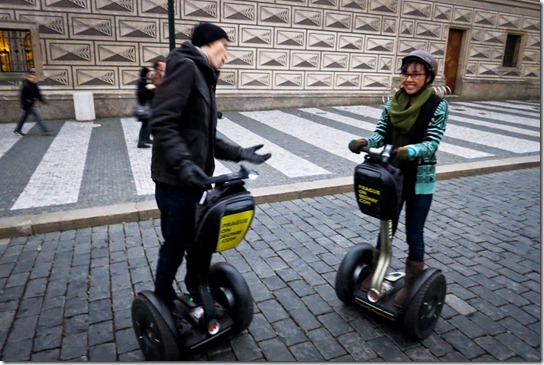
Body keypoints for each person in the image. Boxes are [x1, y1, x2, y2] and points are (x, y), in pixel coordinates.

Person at [149, 22, 272, 310]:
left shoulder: (203, 74)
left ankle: (196, 291)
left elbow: (204, 132)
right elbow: (162, 121)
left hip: (197, 181)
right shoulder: (185, 67)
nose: (226, 55)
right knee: (175, 246)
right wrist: (184, 165)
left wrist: (240, 152)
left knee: (200, 244)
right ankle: (162, 299)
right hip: (175, 182)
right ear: (210, 43)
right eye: (224, 47)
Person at [348, 50, 448, 308]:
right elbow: (380, 134)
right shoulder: (393, 101)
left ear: (428, 77)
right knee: (386, 227)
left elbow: (432, 143)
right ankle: (377, 271)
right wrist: (364, 142)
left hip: (419, 179)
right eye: (406, 73)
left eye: (416, 74)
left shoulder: (437, 106)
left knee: (414, 233)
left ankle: (412, 281)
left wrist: (411, 150)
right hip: (392, 176)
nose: (409, 79)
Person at [14, 69, 51, 136]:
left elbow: (38, 95)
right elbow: (23, 96)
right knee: (37, 116)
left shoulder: (34, 85)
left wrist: (43, 101)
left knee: (24, 118)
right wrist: (26, 103)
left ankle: (17, 130)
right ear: (28, 77)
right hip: (27, 105)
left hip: (30, 104)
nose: (33, 79)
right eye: (31, 78)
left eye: (34, 78)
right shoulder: (25, 85)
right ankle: (45, 130)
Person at [135, 67, 155, 148]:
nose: (150, 75)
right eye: (148, 73)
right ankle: (141, 142)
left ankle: (146, 138)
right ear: (145, 74)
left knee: (148, 124)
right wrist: (148, 89)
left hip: (148, 106)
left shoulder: (146, 81)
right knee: (145, 125)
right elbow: (140, 93)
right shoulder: (141, 82)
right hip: (144, 107)